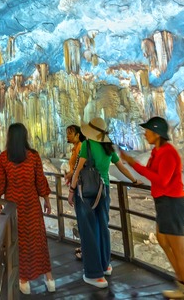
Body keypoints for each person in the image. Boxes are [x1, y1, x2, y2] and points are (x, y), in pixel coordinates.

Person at [119, 117, 184, 300]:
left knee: (179, 250)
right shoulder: (157, 151)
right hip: (164, 204)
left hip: (173, 204)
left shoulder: (168, 153)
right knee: (163, 241)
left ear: (157, 134)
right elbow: (154, 175)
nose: (145, 133)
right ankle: (181, 283)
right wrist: (131, 162)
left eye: (148, 131)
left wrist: (133, 163)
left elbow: (161, 180)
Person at [68, 117, 141, 289]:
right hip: (105, 190)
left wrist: (71, 192)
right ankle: (105, 264)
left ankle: (94, 274)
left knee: (88, 231)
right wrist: (134, 180)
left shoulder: (87, 145)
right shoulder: (108, 147)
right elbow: (121, 166)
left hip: (87, 192)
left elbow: (78, 171)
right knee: (102, 227)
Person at [0, 123, 54, 295]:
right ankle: (49, 279)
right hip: (32, 205)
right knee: (38, 240)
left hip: (14, 206)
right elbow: (40, 180)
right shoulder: (33, 156)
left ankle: (24, 280)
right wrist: (47, 199)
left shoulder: (5, 157)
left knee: (19, 241)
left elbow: (0, 183)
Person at [63, 124, 86, 260]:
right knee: (80, 217)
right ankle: (84, 245)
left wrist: (70, 175)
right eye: (67, 133)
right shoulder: (75, 148)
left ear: (78, 135)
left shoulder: (81, 147)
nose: (68, 136)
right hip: (76, 184)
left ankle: (86, 249)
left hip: (80, 186)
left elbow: (79, 167)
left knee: (83, 218)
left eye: (70, 133)